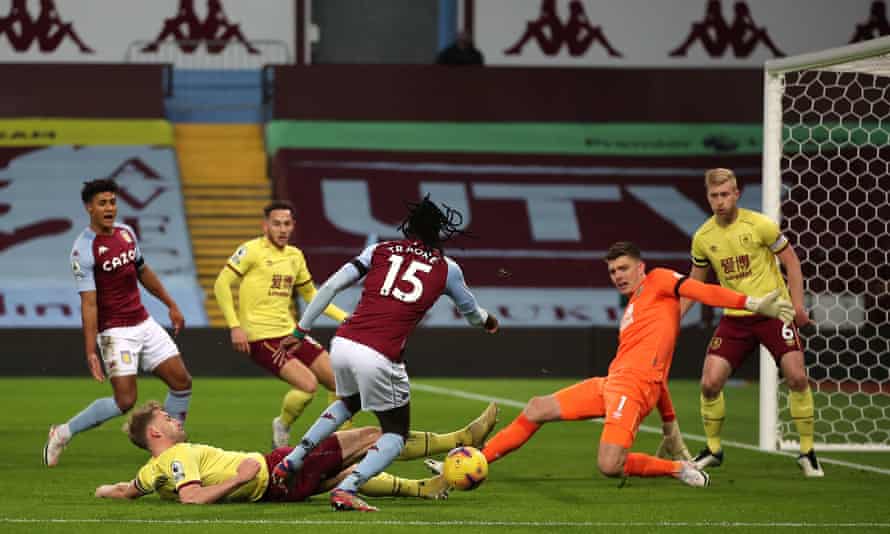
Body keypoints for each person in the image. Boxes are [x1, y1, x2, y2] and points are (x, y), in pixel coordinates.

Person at [469, 241, 792, 487]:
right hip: (612, 383)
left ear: (641, 267)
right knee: (537, 407)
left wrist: (750, 303)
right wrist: (669, 424)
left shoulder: (660, 280)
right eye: (612, 272)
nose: (618, 276)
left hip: (634, 388)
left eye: (623, 268)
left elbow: (700, 290)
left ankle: (678, 469)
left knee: (610, 465)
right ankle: (477, 462)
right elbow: (659, 374)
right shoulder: (632, 311)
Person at [271, 196, 499, 512]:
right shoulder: (448, 269)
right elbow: (473, 314)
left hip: (344, 342)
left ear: (410, 227)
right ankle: (347, 488)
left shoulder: (379, 250)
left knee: (348, 402)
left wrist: (300, 331)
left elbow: (332, 286)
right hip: (379, 354)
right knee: (395, 434)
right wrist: (488, 321)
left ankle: (292, 460)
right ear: (439, 231)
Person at [681, 168, 823, 477]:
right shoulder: (703, 237)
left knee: (797, 377)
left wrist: (798, 305)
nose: (720, 201)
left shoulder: (760, 225)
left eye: (725, 194)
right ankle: (714, 450)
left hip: (774, 313)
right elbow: (695, 283)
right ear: (708, 198)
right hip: (735, 319)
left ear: (736, 194)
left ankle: (807, 452)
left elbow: (791, 262)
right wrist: (674, 316)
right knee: (709, 383)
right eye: (714, 196)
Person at [44, 179, 192, 467]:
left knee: (181, 382)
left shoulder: (126, 233)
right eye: (102, 203)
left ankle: (169, 447)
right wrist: (91, 350)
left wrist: (171, 304)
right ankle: (62, 433)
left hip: (143, 322)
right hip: (115, 332)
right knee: (125, 401)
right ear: (89, 208)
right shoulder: (83, 250)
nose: (109, 208)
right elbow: (89, 304)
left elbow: (143, 271)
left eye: (112, 202)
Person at [94, 400, 495, 504]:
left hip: (276, 487)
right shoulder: (176, 457)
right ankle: (460, 439)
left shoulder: (153, 469)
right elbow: (192, 498)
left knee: (347, 472)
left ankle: (423, 489)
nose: (175, 419)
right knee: (371, 436)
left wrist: (103, 491)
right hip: (274, 471)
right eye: (167, 418)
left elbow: (125, 491)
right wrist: (238, 478)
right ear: (155, 432)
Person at [214, 200, 351, 447]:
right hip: (261, 336)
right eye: (276, 224)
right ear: (265, 226)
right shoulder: (251, 250)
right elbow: (221, 284)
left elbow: (311, 295)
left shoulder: (295, 256)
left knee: (341, 383)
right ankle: (283, 425)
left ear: (293, 225)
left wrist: (345, 318)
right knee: (308, 386)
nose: (282, 229)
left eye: (287, 224)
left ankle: (339, 443)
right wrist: (234, 326)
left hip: (290, 332)